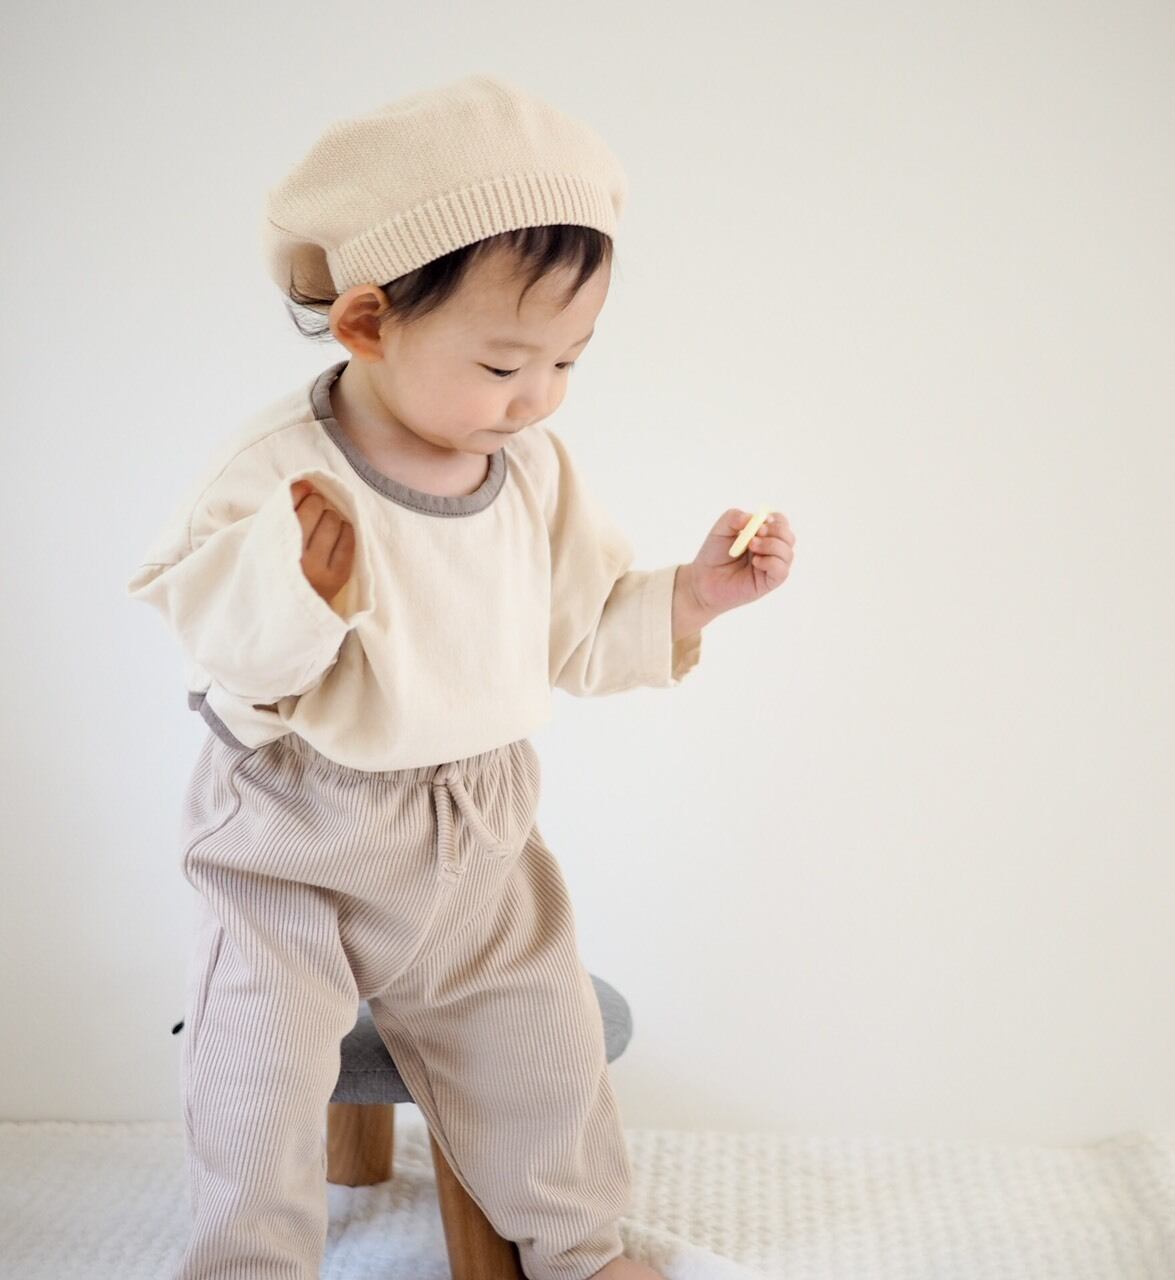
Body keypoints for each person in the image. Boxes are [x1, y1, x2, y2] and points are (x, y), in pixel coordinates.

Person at [125, 72, 796, 1280]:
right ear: (368, 323)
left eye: (567, 360)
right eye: (501, 364)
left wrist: (690, 596)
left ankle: (579, 1245)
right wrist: (298, 589)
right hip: (295, 834)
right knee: (253, 1068)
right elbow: (223, 656)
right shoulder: (279, 472)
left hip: (479, 826)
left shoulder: (532, 469)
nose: (535, 397)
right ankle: (248, 1262)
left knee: (545, 1048)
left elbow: (580, 628)